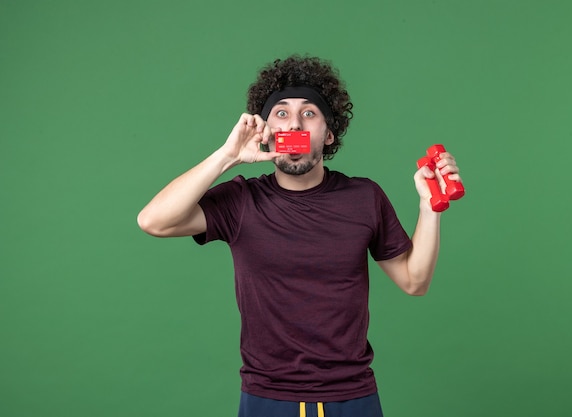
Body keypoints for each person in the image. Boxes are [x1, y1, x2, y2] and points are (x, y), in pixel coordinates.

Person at [137, 55, 462, 417]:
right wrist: (227, 157)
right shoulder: (241, 200)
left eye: (309, 113)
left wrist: (429, 207)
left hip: (353, 396)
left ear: (329, 133)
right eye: (281, 113)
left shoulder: (364, 198)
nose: (294, 122)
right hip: (267, 396)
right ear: (266, 130)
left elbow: (414, 281)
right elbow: (154, 221)